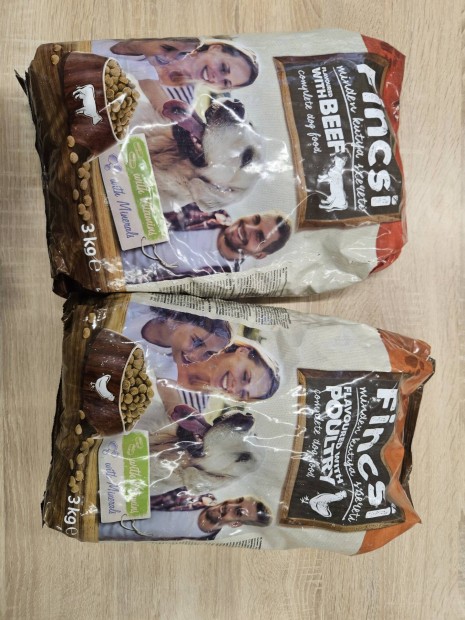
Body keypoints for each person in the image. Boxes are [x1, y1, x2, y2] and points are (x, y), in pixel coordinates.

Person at [121, 210, 292, 284]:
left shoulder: (220, 281)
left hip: (118, 280)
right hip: (116, 233)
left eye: (259, 236)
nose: (248, 227)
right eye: (255, 219)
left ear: (259, 255)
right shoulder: (210, 211)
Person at [92, 38, 258, 113]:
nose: (216, 78)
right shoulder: (172, 37)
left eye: (225, 83)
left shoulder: (183, 103)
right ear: (216, 48)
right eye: (223, 68)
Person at [99, 495, 272, 541]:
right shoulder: (193, 494)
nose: (230, 505)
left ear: (236, 524)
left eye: (238, 512)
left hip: (98, 539)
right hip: (102, 508)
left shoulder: (204, 544)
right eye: (238, 500)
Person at [176, 340, 280, 402]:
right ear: (242, 351)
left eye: (242, 394)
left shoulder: (191, 408)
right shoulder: (189, 335)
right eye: (245, 376)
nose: (235, 388)